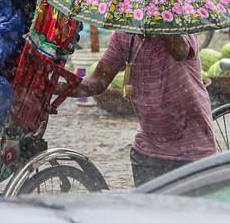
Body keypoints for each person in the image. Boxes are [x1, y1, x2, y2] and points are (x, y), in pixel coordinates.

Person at [61, 32, 216, 186]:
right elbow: (97, 82)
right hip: (148, 150)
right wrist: (55, 86)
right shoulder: (123, 35)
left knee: (191, 210)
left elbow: (180, 51)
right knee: (148, 209)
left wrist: (156, 17)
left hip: (192, 149)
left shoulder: (178, 24)